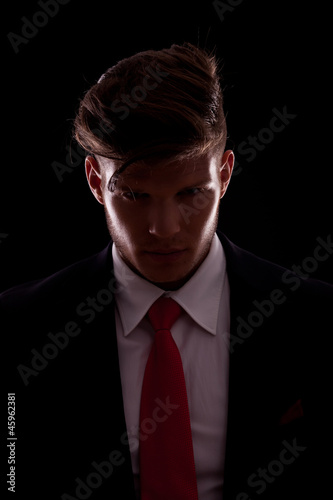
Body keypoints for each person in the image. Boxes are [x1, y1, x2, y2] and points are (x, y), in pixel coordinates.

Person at [1, 43, 332, 500]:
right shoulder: (18, 326)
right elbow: (10, 477)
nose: (164, 228)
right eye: (135, 195)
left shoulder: (318, 319)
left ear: (226, 175)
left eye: (191, 192)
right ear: (96, 181)